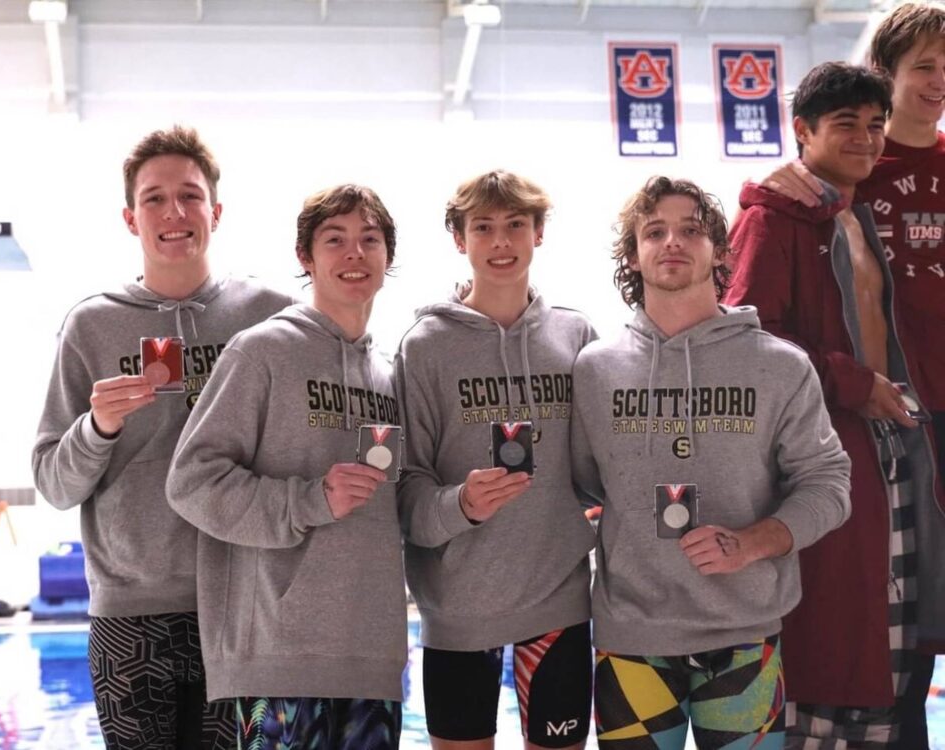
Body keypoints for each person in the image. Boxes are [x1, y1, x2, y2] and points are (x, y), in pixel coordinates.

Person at [32, 125, 293, 749]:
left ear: (216, 211)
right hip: (131, 614)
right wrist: (98, 428)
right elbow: (52, 483)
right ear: (130, 218)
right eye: (154, 198)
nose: (173, 212)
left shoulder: (271, 317)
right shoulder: (92, 326)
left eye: (189, 195)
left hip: (244, 608)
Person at [571, 175, 852, 750]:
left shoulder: (780, 366)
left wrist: (753, 542)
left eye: (691, 230)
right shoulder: (594, 370)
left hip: (744, 635)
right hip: (633, 638)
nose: (673, 241)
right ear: (633, 254)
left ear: (721, 251)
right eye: (655, 231)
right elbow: (581, 484)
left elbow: (829, 483)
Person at [725, 62, 943, 748]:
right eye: (845, 124)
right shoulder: (772, 215)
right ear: (801, 132)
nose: (867, 140)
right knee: (831, 648)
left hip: (891, 450)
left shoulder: (853, 214)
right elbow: (747, 341)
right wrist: (854, 384)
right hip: (826, 454)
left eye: (875, 125)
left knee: (892, 640)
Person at [166, 184, 407, 749]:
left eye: (369, 240)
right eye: (335, 240)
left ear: (387, 258)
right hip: (278, 657)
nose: (354, 254)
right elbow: (191, 481)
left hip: (372, 657)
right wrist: (308, 500)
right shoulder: (262, 352)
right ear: (306, 257)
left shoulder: (390, 374)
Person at [396, 170, 597, 750]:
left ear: (538, 233)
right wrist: (458, 505)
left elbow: (598, 461)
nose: (501, 242)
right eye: (483, 228)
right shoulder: (426, 344)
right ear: (460, 240)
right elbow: (406, 485)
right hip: (457, 608)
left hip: (557, 597)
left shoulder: (575, 334)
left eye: (515, 225)